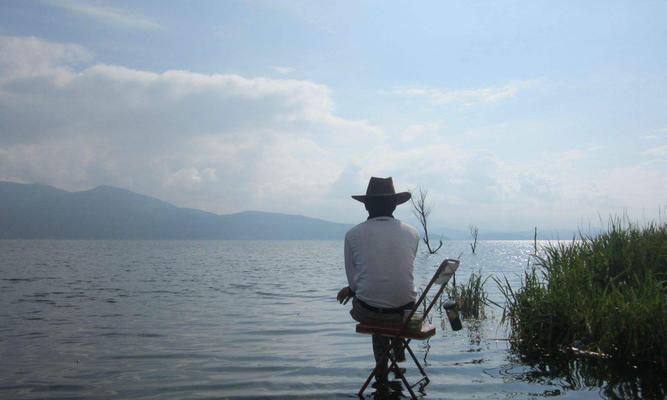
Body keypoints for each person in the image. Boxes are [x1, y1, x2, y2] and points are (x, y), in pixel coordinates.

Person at [337, 176, 420, 385]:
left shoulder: (352, 235)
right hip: (406, 314)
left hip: (372, 313)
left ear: (366, 206)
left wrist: (351, 289)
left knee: (374, 308)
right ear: (394, 205)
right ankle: (397, 354)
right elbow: (399, 270)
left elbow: (355, 283)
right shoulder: (412, 233)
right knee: (388, 303)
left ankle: (381, 371)